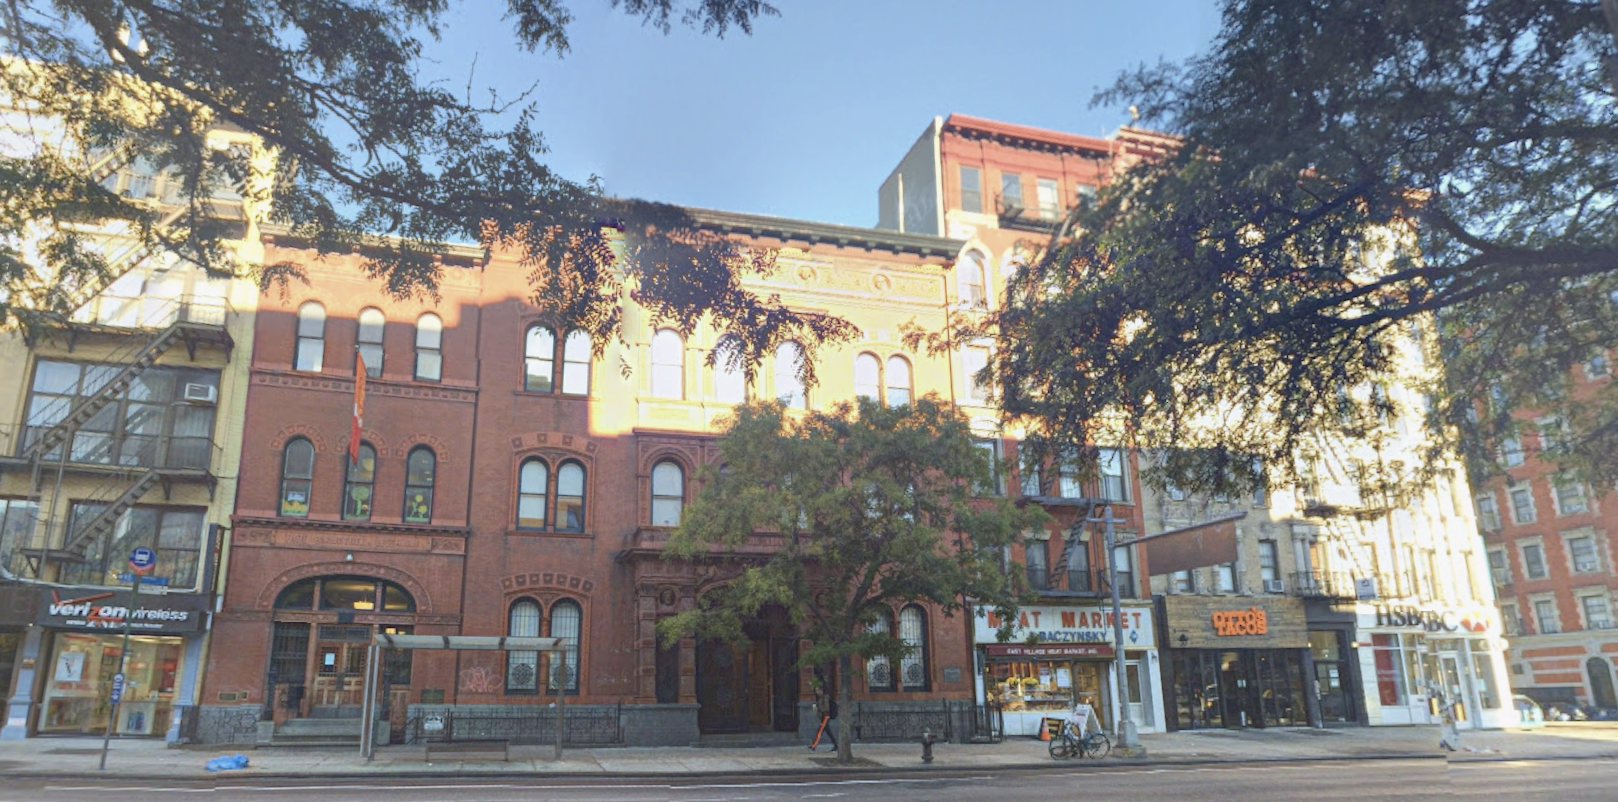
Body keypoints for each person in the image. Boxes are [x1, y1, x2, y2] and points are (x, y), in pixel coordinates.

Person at [810, 674, 839, 751]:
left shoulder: (825, 698)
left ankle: (813, 746)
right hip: (824, 716)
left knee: (819, 731)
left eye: (817, 690)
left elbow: (826, 708)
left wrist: (818, 709)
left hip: (825, 716)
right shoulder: (821, 698)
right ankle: (836, 745)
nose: (817, 692)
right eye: (816, 690)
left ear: (821, 690)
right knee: (828, 732)